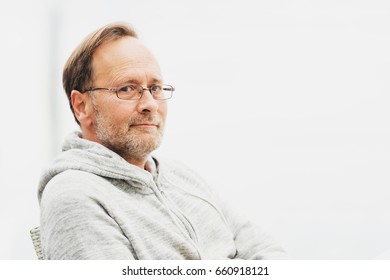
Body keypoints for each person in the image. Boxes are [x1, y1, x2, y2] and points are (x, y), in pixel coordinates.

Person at [37, 22, 286, 260]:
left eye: (155, 88)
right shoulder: (74, 196)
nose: (149, 104)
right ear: (82, 106)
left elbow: (270, 252)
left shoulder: (181, 176)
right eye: (126, 89)